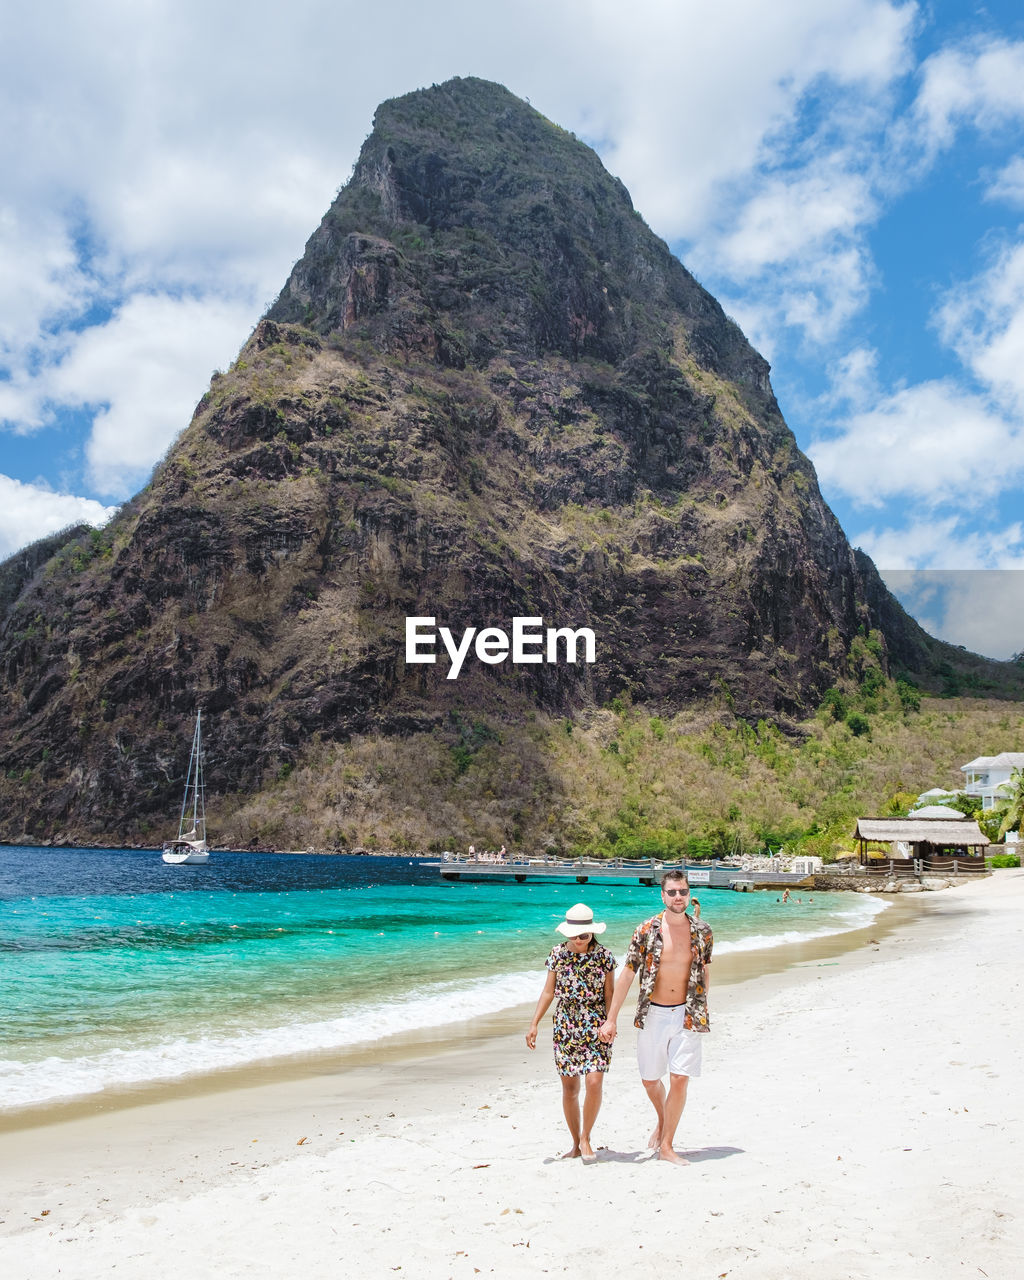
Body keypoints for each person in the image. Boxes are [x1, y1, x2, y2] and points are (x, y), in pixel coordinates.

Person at [598, 870, 713, 1165]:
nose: (678, 897)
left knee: (679, 1079)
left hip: (687, 1013)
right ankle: (663, 1120)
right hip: (654, 1013)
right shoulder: (646, 930)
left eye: (683, 892)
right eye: (672, 892)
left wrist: (703, 1005)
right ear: (662, 895)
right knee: (651, 1081)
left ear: (689, 894)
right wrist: (611, 1019)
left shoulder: (703, 931)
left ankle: (667, 1146)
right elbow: (626, 975)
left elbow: (705, 970)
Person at [526, 903, 616, 1163]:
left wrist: (611, 1022)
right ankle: (575, 1143)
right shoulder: (557, 954)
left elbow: (610, 993)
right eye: (573, 936)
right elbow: (548, 992)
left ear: (592, 933)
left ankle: (587, 1137)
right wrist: (534, 1024)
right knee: (570, 1088)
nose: (578, 940)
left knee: (594, 1081)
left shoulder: (605, 956)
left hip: (597, 1024)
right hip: (566, 1025)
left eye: (583, 936)